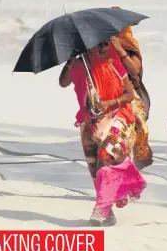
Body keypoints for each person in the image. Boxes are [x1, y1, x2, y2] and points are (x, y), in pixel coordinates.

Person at [58, 41, 146, 226]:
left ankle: (99, 209)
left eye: (106, 44)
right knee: (96, 169)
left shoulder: (115, 64)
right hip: (89, 121)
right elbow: (63, 82)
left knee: (107, 155)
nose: (103, 48)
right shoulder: (81, 63)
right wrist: (70, 60)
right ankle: (108, 211)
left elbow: (129, 94)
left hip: (116, 116)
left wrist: (109, 103)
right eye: (99, 44)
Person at [107, 14, 153, 167]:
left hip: (128, 97)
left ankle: (131, 175)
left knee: (130, 138)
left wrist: (119, 49)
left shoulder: (128, 44)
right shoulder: (100, 46)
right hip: (105, 97)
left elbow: (134, 69)